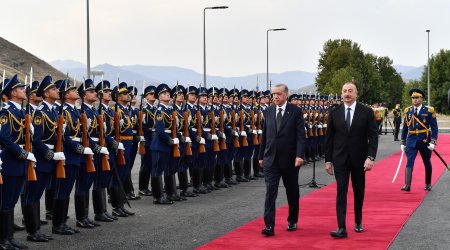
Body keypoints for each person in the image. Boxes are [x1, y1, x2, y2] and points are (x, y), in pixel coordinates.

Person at [324, 82, 378, 238]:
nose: (347, 94)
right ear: (341, 94)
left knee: (358, 190)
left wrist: (370, 157)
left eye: (350, 91)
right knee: (341, 191)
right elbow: (329, 138)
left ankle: (358, 221)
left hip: (360, 159)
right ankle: (341, 227)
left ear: (356, 93)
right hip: (340, 159)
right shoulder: (334, 112)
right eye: (344, 91)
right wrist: (328, 160)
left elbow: (373, 136)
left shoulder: (366, 112)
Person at [258, 83, 305, 237]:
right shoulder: (269, 111)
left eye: (278, 94)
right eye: (273, 94)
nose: (275, 97)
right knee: (270, 192)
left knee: (292, 191)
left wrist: (299, 155)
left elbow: (300, 136)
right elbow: (264, 136)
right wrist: (260, 156)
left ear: (286, 94)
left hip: (290, 160)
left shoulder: (295, 111)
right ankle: (269, 225)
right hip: (271, 159)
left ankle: (292, 219)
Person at [400, 88, 438, 192]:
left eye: (417, 98)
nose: (415, 100)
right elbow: (405, 128)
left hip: (424, 140)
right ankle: (407, 185)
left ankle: (428, 183)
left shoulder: (429, 111)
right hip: (411, 140)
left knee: (426, 161)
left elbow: (434, 128)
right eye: (413, 98)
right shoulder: (408, 111)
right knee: (409, 161)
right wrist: (403, 142)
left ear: (422, 98)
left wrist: (433, 141)